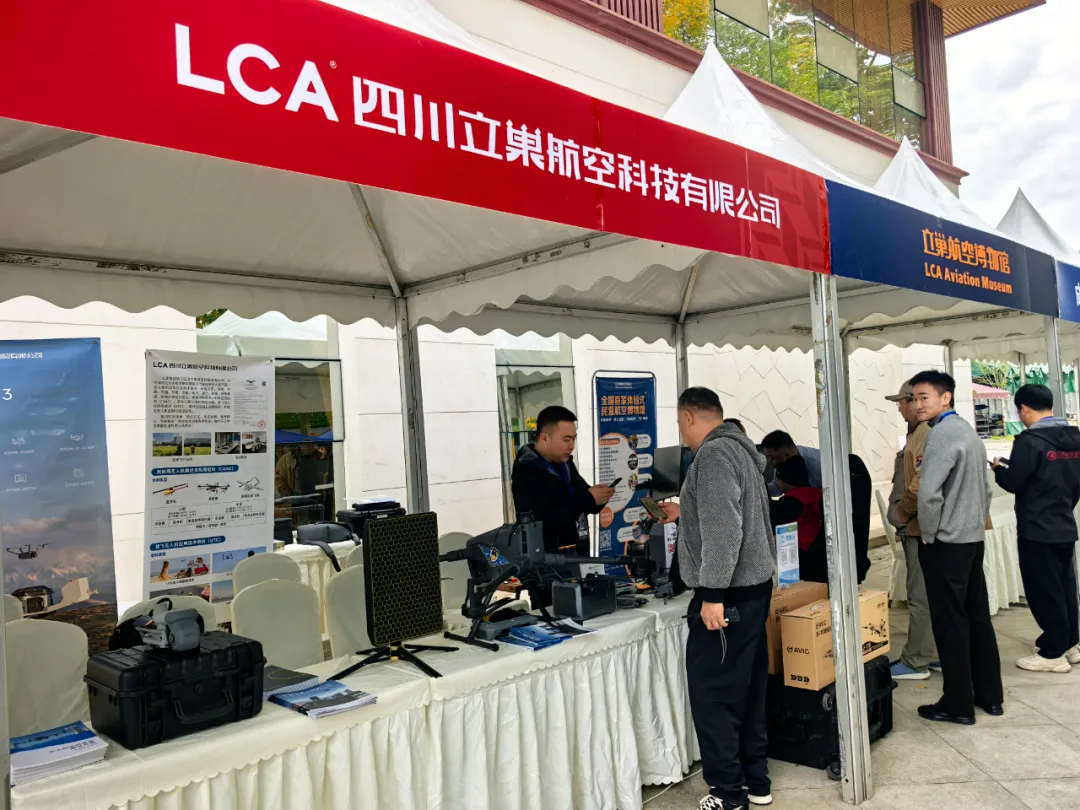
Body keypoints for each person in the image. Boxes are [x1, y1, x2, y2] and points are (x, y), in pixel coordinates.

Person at [657, 388, 774, 810]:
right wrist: (685, 513)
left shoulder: (711, 456)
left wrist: (712, 595)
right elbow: (732, 516)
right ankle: (756, 782)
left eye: (679, 423)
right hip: (752, 591)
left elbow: (725, 531)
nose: (681, 431)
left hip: (730, 596)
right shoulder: (741, 451)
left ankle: (727, 793)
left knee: (715, 696)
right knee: (748, 690)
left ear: (688, 417)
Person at [911, 370, 1003, 724]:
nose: (918, 405)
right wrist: (972, 522)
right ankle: (990, 696)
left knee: (950, 623)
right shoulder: (968, 432)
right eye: (914, 398)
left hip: (947, 543)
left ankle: (958, 704)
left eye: (924, 397)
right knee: (977, 617)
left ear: (945, 397)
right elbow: (987, 489)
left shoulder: (941, 434)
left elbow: (929, 494)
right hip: (971, 539)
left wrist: (929, 533)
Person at [992, 384, 1080, 673]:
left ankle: (1053, 654)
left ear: (1024, 409)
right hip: (1064, 524)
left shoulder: (1030, 441)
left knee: (1044, 591)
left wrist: (998, 469)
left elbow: (1015, 481)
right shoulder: (1075, 438)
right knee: (1065, 588)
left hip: (1037, 529)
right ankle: (1070, 644)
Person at [761, 431, 872, 583]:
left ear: (786, 454)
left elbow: (831, 496)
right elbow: (777, 487)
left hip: (850, 481)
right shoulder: (786, 465)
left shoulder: (819, 464)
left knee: (854, 529)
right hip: (815, 513)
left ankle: (853, 572)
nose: (771, 462)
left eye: (772, 457)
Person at [886, 380, 938, 680]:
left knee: (920, 596)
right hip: (920, 528)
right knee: (931, 594)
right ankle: (934, 651)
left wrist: (903, 512)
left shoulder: (924, 434)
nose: (900, 408)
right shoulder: (920, 433)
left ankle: (917, 659)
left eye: (901, 402)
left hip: (918, 528)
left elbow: (921, 482)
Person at [511, 405, 613, 554]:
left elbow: (583, 500)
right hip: (549, 558)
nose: (572, 446)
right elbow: (545, 518)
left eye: (574, 439)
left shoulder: (565, 464)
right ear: (544, 438)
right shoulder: (526, 470)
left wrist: (600, 497)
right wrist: (588, 498)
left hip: (578, 551)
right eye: (566, 440)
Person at [769, 455, 826, 583]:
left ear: (786, 481)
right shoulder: (817, 493)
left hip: (802, 552)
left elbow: (775, 519)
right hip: (821, 546)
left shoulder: (791, 501)